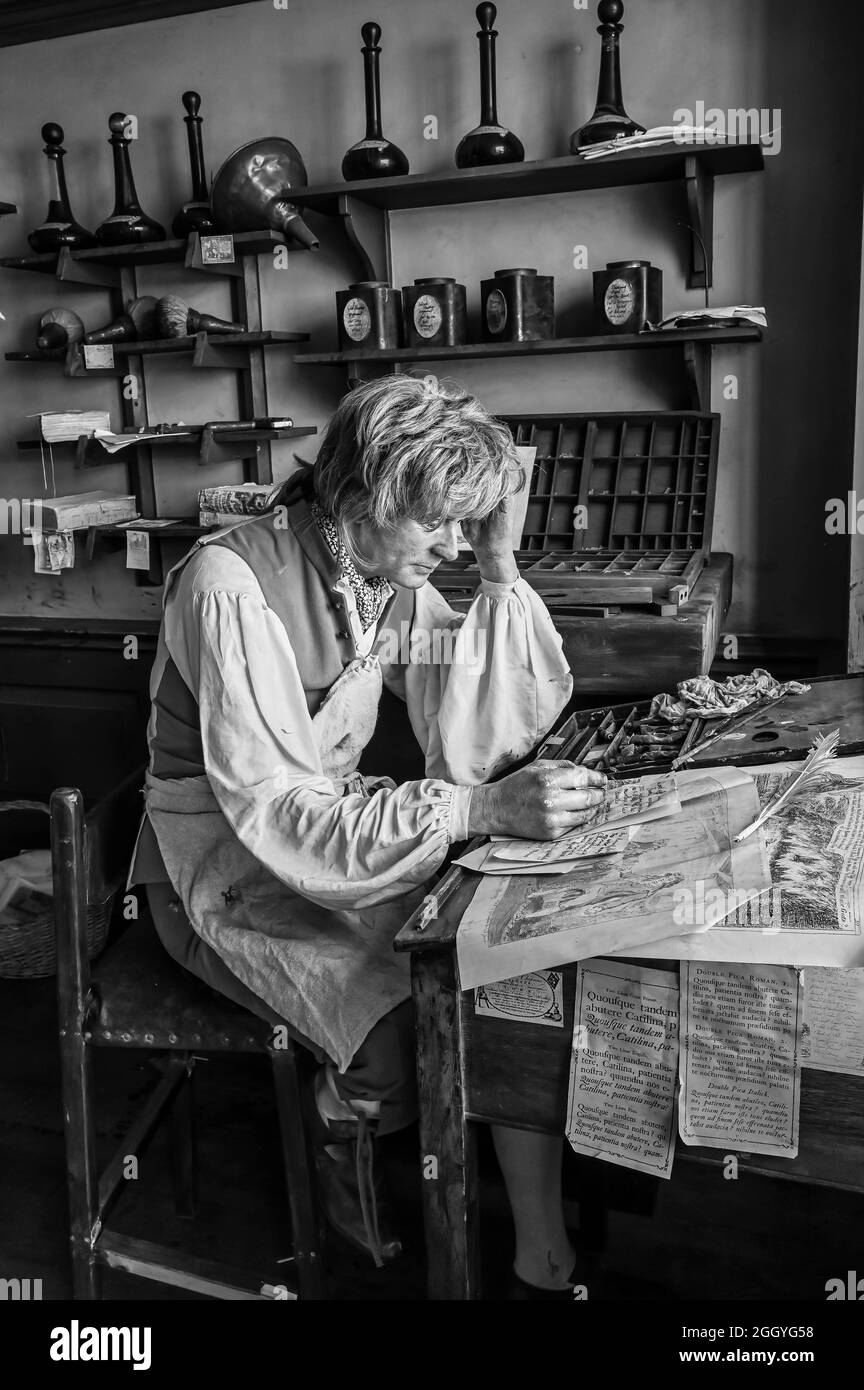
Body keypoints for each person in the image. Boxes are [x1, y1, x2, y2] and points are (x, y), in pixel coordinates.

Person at [130, 375, 606, 1295]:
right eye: (439, 522)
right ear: (359, 499)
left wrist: (500, 569)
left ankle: (540, 1253)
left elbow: (471, 730)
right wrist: (472, 814)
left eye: (465, 524)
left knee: (503, 966)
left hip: (330, 834)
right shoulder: (231, 586)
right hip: (223, 868)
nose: (454, 543)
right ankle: (344, 1142)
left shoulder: (384, 582)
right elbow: (275, 813)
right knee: (394, 1036)